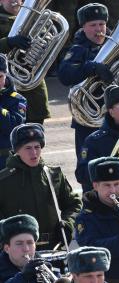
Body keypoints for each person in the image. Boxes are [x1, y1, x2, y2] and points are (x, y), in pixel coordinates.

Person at [0, 123, 82, 251]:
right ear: (17, 150)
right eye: (28, 148)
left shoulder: (53, 175)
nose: (34, 153)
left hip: (54, 247)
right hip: (19, 251)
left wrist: (68, 224)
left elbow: (74, 204)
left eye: (37, 147)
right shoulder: (4, 181)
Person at [57, 3, 113, 165]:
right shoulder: (77, 49)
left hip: (113, 117)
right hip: (87, 120)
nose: (99, 29)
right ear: (83, 27)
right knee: (88, 164)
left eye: (102, 24)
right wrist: (90, 67)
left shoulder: (116, 44)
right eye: (93, 25)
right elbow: (65, 75)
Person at [0, 0, 50, 125]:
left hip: (33, 89)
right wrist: (8, 42)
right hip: (5, 94)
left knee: (34, 140)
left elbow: (49, 43)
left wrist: (44, 43)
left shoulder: (36, 18)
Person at [0, 214, 55, 283]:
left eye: (30, 243)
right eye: (19, 243)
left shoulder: (42, 265)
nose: (26, 249)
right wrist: (23, 277)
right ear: (7, 248)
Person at [0, 53, 26, 170]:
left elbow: (14, 126)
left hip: (5, 161)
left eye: (0, 77)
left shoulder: (17, 99)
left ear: (5, 75)